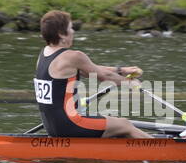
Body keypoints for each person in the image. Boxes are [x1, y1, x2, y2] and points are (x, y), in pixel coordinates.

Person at [34, 10, 155, 138]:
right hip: (71, 123)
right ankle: (159, 152)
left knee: (112, 124)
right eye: (71, 28)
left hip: (52, 127)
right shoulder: (73, 56)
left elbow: (91, 69)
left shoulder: (44, 54)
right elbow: (104, 77)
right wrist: (131, 83)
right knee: (124, 125)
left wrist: (122, 70)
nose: (73, 31)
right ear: (61, 34)